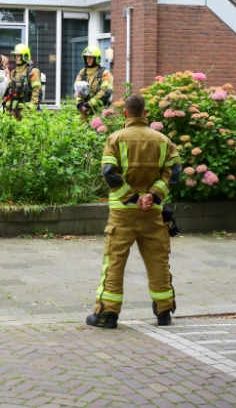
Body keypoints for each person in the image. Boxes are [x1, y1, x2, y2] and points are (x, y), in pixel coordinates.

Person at [87, 94, 181, 330]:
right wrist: (153, 196)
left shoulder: (115, 139)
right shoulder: (163, 141)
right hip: (153, 214)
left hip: (122, 214)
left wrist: (134, 198)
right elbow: (174, 173)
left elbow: (110, 172)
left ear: (126, 114)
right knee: (158, 262)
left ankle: (107, 314)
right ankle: (164, 312)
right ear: (145, 113)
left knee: (114, 262)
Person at [74, 46, 113, 123]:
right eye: (87, 57)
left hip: (99, 111)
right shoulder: (82, 72)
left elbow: (106, 92)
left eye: (91, 57)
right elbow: (76, 90)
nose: (88, 59)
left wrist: (89, 104)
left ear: (96, 58)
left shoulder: (104, 73)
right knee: (82, 131)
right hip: (84, 112)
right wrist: (80, 104)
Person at [4, 43, 42, 120]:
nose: (16, 58)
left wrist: (30, 110)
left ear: (25, 56)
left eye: (19, 55)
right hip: (13, 111)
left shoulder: (33, 71)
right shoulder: (14, 72)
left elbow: (37, 91)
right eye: (15, 55)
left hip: (26, 112)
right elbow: (11, 92)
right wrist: (8, 109)